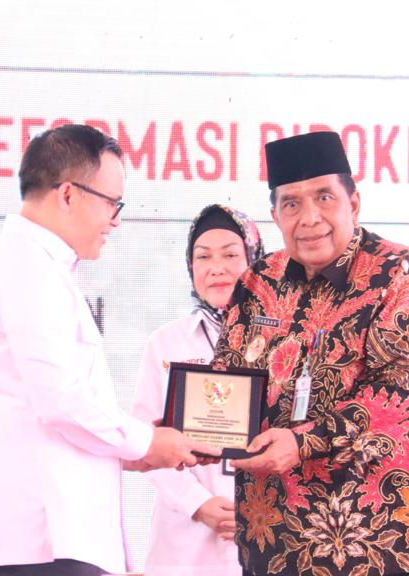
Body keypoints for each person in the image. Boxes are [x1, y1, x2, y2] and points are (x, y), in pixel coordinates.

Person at [0, 124, 221, 576]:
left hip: (54, 537)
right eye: (112, 202)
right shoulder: (28, 267)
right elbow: (62, 400)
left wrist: (139, 448)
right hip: (42, 538)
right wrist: (146, 441)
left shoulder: (39, 265)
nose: (116, 220)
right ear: (67, 194)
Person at [212, 131, 409, 576]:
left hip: (379, 543)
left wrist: (303, 441)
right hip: (273, 542)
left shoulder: (401, 274)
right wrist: (191, 426)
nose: (309, 218)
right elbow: (226, 376)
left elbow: (400, 395)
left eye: (324, 197)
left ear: (354, 203)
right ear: (275, 215)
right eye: (291, 203)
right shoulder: (258, 281)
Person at [131, 204, 264, 576]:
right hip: (184, 540)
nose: (216, 268)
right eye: (203, 257)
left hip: (266, 532)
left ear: (254, 261)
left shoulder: (283, 341)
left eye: (230, 255)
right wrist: (198, 504)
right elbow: (143, 440)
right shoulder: (167, 343)